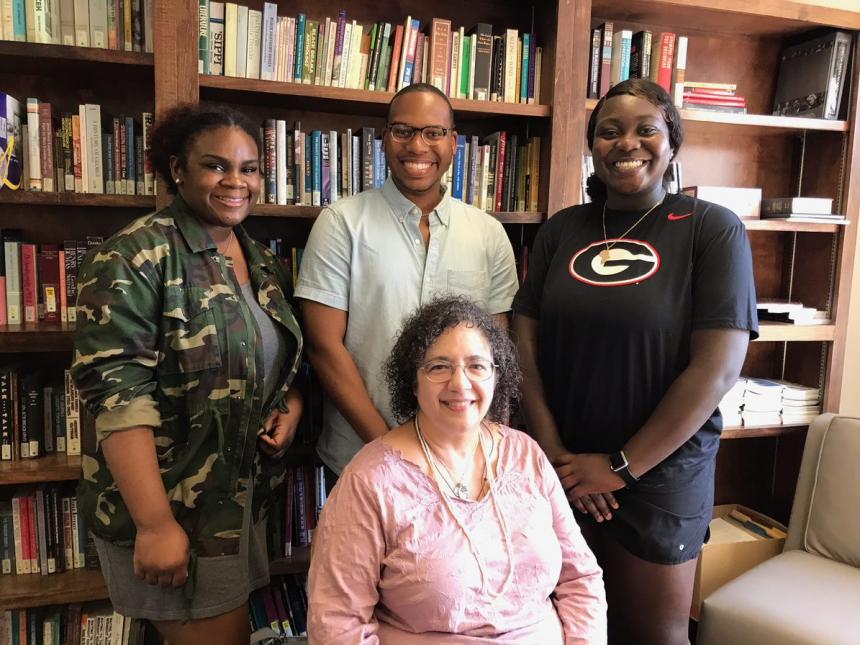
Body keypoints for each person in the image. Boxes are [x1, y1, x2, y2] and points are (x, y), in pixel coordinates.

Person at [512, 78, 758, 644]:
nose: (628, 143)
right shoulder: (562, 230)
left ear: (672, 142)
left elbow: (716, 369)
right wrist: (559, 458)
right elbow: (524, 345)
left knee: (651, 634)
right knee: (563, 625)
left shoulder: (710, 229)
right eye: (610, 131)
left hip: (661, 477)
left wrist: (621, 467)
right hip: (563, 469)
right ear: (593, 146)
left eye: (647, 129)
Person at [71, 104, 303, 645]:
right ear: (177, 169)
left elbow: (275, 360)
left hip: (238, 507)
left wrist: (291, 405)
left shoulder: (260, 260)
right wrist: (155, 524)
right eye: (216, 166)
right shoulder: (132, 258)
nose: (236, 182)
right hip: (172, 513)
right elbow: (117, 400)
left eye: (249, 168)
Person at [307, 295, 607, 643]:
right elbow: (337, 622)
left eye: (477, 366)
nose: (460, 384)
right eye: (439, 366)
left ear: (498, 376)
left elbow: (580, 578)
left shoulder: (526, 454)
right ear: (412, 380)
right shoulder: (370, 481)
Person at [295, 83, 519, 481]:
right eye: (403, 131)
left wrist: (477, 446)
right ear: (384, 140)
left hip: (460, 461)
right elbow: (323, 346)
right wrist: (388, 447)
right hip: (362, 456)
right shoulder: (341, 223)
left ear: (453, 143)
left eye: (433, 133)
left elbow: (496, 355)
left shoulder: (488, 234)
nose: (418, 146)